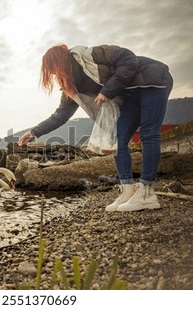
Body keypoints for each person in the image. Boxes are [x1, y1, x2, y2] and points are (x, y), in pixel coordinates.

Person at [18, 44, 173, 212]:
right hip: (131, 93)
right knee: (117, 139)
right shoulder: (71, 87)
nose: (55, 75)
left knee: (149, 134)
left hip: (152, 78)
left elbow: (129, 58)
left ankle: (146, 193)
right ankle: (128, 190)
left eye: (54, 70)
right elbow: (60, 116)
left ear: (60, 61)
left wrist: (107, 90)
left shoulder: (90, 55)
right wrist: (34, 132)